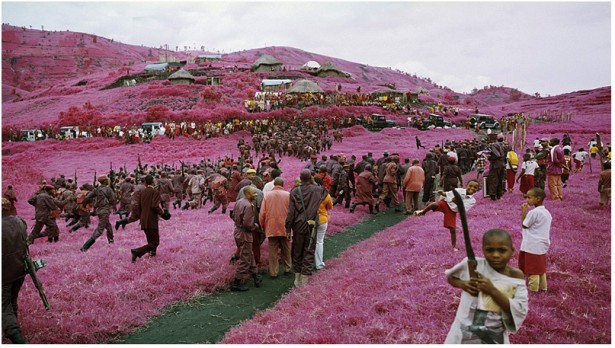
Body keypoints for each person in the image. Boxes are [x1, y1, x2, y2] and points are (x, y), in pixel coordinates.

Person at [444, 229, 528, 344]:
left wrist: (492, 290)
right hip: (462, 332)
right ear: (483, 250)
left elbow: (520, 308)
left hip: (494, 335)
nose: (495, 255)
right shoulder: (473, 264)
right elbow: (451, 277)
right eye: (489, 250)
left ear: (512, 250)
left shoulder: (516, 276)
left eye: (502, 250)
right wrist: (463, 284)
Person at [286, 169, 328, 286]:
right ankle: (304, 282)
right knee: (309, 251)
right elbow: (326, 191)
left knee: (297, 251)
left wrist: (288, 228)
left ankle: (297, 279)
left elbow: (290, 213)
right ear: (310, 177)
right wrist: (313, 182)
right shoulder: (318, 189)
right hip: (311, 225)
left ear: (300, 178)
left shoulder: (294, 191)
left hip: (298, 225)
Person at [414, 181, 480, 251]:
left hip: (452, 211)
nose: (472, 188)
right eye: (470, 186)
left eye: (475, 187)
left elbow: (463, 209)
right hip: (445, 203)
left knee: (452, 229)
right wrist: (442, 193)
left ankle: (454, 246)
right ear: (467, 186)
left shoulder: (472, 200)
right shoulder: (459, 190)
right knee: (434, 204)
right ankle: (423, 212)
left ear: (477, 190)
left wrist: (456, 201)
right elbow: (448, 194)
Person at [2, 198, 29, 343]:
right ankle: (11, 326)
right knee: (12, 299)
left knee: (3, 305)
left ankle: (16, 337)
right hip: (19, 269)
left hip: (4, 272)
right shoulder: (19, 221)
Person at [519, 188, 552, 292]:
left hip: (532, 244)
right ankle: (543, 288)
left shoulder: (534, 212)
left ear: (537, 199)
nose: (527, 200)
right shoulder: (547, 212)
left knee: (532, 269)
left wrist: (524, 212)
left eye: (529, 197)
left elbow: (524, 225)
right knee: (540, 268)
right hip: (542, 244)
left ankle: (533, 290)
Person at [230, 186, 262, 291]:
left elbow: (233, 215)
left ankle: (256, 277)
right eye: (254, 193)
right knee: (246, 259)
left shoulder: (239, 201)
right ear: (247, 194)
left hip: (238, 232)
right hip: (245, 234)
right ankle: (236, 282)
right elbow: (248, 224)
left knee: (249, 254)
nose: (256, 195)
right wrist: (255, 226)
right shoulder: (248, 206)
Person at [259, 178, 291, 278]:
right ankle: (288, 268)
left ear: (274, 185)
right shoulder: (288, 195)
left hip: (271, 225)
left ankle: (273, 272)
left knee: (273, 250)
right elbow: (292, 211)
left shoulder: (267, 195)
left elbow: (262, 213)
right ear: (282, 184)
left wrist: (262, 225)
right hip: (285, 225)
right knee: (286, 247)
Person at [131, 175, 167, 262]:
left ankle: (152, 254)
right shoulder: (155, 192)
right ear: (153, 182)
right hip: (151, 220)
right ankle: (136, 251)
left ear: (145, 182)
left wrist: (141, 217)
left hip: (144, 220)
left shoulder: (142, 192)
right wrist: (162, 212)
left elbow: (139, 207)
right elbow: (155, 206)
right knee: (155, 242)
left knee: (150, 240)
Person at [80, 176, 117, 251]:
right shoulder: (108, 189)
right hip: (105, 211)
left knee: (108, 225)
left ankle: (111, 240)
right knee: (100, 229)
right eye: (107, 180)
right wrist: (111, 206)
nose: (108, 181)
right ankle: (85, 246)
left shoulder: (96, 189)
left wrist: (84, 205)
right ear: (105, 181)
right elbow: (113, 199)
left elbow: (87, 197)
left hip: (99, 211)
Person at [314, 180, 333, 270]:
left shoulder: (311, 194)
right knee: (319, 241)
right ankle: (319, 264)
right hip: (322, 219)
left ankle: (307, 263)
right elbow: (330, 207)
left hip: (311, 220)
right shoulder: (326, 195)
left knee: (309, 242)